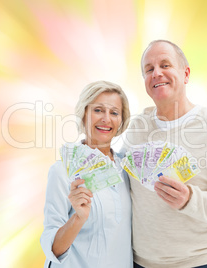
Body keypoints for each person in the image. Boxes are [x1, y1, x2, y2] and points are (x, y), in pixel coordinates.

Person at [122, 40, 207, 268]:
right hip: (139, 262)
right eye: (149, 69)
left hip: (195, 263)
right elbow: (120, 184)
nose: (157, 73)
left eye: (165, 65)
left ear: (185, 74)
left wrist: (192, 201)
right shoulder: (137, 128)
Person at [40, 81, 133, 268]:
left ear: (121, 121)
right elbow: (53, 249)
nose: (106, 119)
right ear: (83, 115)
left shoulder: (129, 169)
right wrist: (78, 218)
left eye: (114, 112)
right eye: (98, 110)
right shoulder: (62, 172)